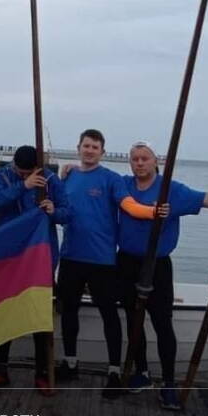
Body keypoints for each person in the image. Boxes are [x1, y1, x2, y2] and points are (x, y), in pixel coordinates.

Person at [115, 140, 208, 410]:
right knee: (133, 322)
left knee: (162, 324)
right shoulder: (123, 185)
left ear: (156, 161)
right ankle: (142, 372)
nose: (140, 163)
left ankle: (169, 383)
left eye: (145, 158)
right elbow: (97, 180)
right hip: (127, 263)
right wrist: (70, 169)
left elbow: (206, 199)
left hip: (157, 265)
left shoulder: (172, 189)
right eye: (135, 159)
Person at [0, 144, 69, 395]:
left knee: (39, 315)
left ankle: (42, 371)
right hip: (9, 256)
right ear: (14, 166)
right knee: (5, 311)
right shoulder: (3, 176)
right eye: (20, 172)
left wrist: (54, 211)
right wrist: (23, 185)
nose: (23, 175)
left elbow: (68, 213)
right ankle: (0, 368)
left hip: (40, 257)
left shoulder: (51, 180)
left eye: (28, 173)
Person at [57, 128, 129, 398]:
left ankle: (114, 371)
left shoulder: (112, 179)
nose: (89, 151)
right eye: (86, 146)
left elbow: (129, 206)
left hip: (102, 260)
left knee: (109, 314)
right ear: (78, 148)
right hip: (70, 256)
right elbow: (57, 207)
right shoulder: (68, 177)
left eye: (94, 147)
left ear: (102, 152)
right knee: (68, 311)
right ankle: (70, 363)